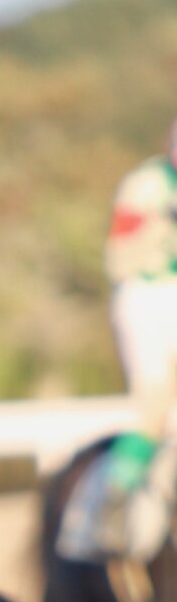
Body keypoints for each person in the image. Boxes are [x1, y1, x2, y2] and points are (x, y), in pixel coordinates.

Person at [101, 121, 177, 551]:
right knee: (156, 405)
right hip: (148, 295)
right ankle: (114, 503)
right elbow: (122, 251)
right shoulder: (146, 184)